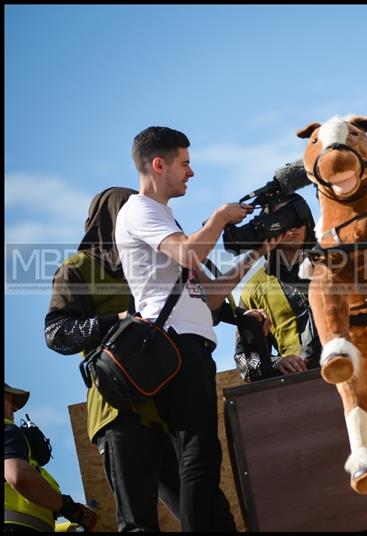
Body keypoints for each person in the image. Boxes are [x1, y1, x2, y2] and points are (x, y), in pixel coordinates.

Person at [44, 187, 235, 531]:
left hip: (170, 407)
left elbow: (201, 306)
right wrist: (118, 320)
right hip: (120, 411)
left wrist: (244, 314)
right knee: (139, 524)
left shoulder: (157, 263)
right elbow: (57, 333)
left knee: (213, 516)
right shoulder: (79, 269)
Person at [115, 126, 272, 531]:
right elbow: (187, 252)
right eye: (185, 163)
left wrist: (260, 251)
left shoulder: (163, 217)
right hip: (176, 347)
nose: (192, 172)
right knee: (198, 456)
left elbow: (212, 296)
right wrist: (220, 217)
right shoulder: (140, 209)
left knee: (202, 456)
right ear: (158, 165)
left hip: (189, 348)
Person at [233, 196, 321, 381]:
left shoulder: (341, 266)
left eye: (296, 216)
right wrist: (277, 362)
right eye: (282, 219)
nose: (293, 225)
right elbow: (245, 361)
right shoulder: (254, 290)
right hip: (302, 386)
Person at [4, 383, 97, 532]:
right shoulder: (7, 429)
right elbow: (19, 477)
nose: (15, 408)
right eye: (10, 400)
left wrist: (70, 527)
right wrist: (70, 508)